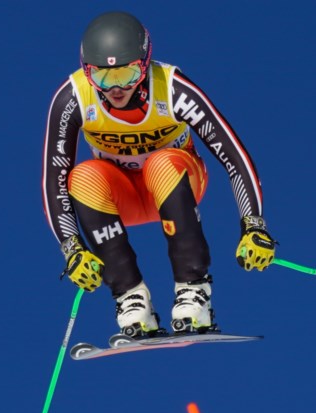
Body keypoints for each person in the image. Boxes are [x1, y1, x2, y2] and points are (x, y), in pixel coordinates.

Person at [42, 11, 275, 337]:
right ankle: (130, 298)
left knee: (161, 163)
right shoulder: (74, 97)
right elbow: (54, 178)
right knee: (82, 176)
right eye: (104, 78)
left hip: (177, 181)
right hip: (123, 195)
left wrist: (253, 225)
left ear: (145, 63)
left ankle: (193, 291)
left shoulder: (171, 88)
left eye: (128, 74)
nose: (117, 88)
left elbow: (234, 156)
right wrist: (72, 248)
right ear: (88, 73)